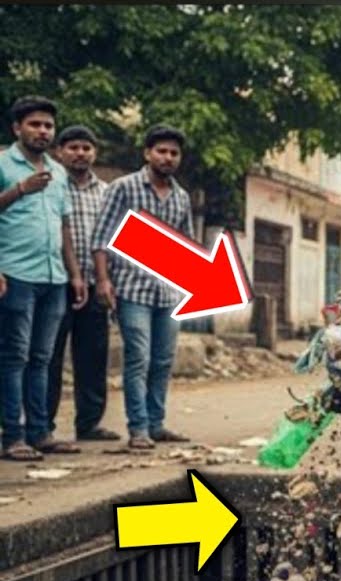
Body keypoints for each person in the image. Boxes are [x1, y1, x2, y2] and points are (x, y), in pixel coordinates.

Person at [90, 124, 195, 451]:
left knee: (163, 360)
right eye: (161, 151)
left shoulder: (181, 197)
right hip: (132, 289)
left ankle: (156, 423)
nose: (167, 158)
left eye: (174, 153)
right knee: (139, 357)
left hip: (168, 293)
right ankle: (137, 429)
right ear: (147, 153)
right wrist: (103, 280)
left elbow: (185, 245)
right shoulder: (124, 188)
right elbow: (101, 237)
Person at [0, 96, 87, 462]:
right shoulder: (4, 163)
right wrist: (20, 189)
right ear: (17, 128)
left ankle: (41, 432)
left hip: (53, 277)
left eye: (48, 126)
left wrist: (76, 274)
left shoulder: (58, 171)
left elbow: (64, 225)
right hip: (15, 274)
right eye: (35, 124)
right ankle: (13, 436)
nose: (43, 131)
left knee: (43, 358)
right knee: (13, 357)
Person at [47, 125, 119, 443]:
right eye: (73, 147)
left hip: (94, 283)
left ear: (95, 153)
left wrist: (109, 280)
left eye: (86, 148)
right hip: (55, 282)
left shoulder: (106, 192)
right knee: (48, 355)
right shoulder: (51, 186)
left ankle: (88, 424)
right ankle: (42, 425)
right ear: (60, 152)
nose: (80, 153)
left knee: (93, 356)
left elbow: (114, 239)